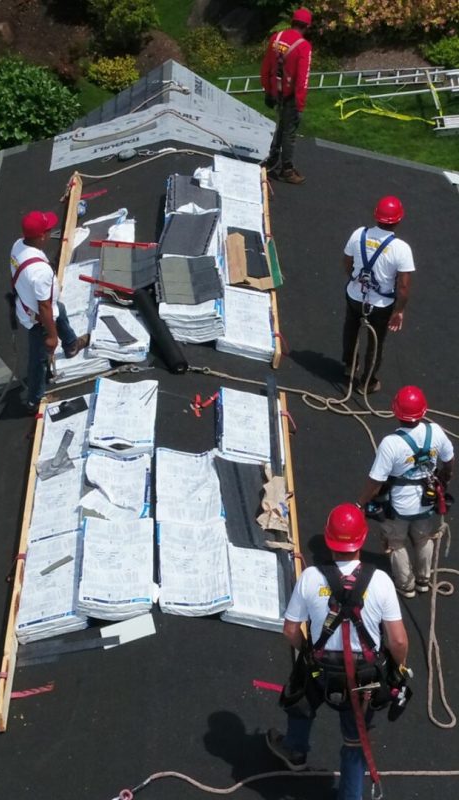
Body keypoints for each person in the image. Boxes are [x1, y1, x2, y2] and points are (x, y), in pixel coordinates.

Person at [266, 504, 409, 800]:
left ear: (329, 539)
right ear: (363, 537)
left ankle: (295, 750)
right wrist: (399, 670)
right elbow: (397, 641)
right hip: (364, 678)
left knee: (300, 698)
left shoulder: (310, 578)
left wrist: (308, 655)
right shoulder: (380, 581)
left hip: (320, 669)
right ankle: (351, 796)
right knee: (356, 741)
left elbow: (291, 631)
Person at [357, 385, 454, 598]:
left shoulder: (391, 444)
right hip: (426, 501)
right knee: (423, 538)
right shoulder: (435, 431)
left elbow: (376, 481)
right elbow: (448, 461)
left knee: (396, 542)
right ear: (423, 411)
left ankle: (406, 584)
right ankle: (423, 579)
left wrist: (360, 504)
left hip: (399, 506)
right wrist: (444, 480)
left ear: (396, 412)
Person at [10, 210, 89, 412]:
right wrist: (52, 337)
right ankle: (34, 400)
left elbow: (50, 306)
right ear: (41, 236)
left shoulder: (18, 246)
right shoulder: (40, 272)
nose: (50, 231)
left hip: (31, 306)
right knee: (39, 361)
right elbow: (44, 307)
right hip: (38, 319)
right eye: (47, 230)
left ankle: (71, 344)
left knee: (59, 309)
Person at [342, 196, 415, 394]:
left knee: (351, 329)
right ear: (398, 220)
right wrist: (399, 311)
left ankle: (350, 366)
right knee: (375, 342)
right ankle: (367, 382)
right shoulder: (401, 249)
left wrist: (355, 280)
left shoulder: (359, 234)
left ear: (376, 216)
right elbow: (403, 287)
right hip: (381, 304)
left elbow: (347, 262)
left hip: (355, 295)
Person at [260, 7, 312, 184]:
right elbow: (302, 79)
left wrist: (268, 90)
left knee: (280, 125)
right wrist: (300, 104)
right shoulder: (303, 47)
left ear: (292, 22)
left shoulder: (277, 38)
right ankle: (287, 169)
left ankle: (272, 160)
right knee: (289, 132)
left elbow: (266, 66)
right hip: (290, 95)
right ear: (307, 26)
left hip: (277, 91)